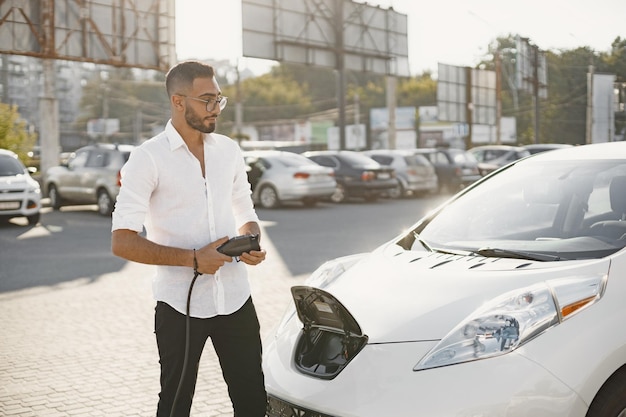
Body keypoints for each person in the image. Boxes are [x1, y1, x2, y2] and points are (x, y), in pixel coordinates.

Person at [111, 60, 267, 417]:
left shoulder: (228, 149)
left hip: (236, 300)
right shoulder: (147, 158)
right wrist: (193, 258)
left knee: (253, 402)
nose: (215, 109)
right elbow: (121, 241)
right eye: (206, 100)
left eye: (218, 99)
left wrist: (251, 241)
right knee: (175, 405)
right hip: (180, 307)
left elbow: (246, 211)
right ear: (178, 101)